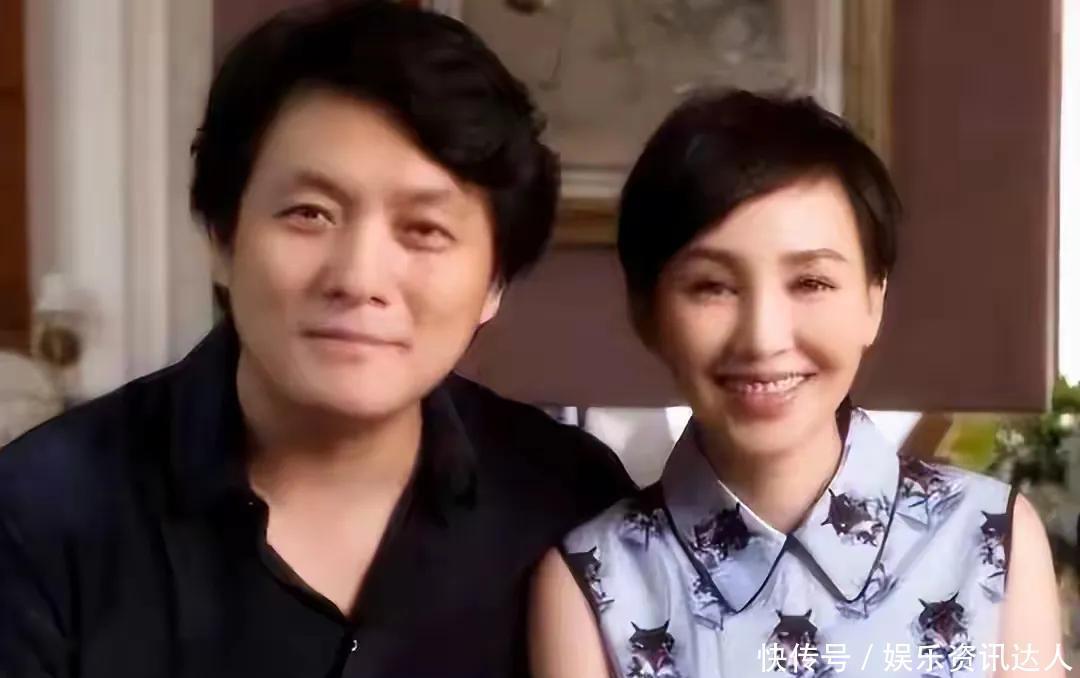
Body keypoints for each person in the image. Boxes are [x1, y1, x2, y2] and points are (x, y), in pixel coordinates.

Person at [0, 2, 634, 676]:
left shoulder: (569, 503)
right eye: (310, 213)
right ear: (221, 240)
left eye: (424, 229)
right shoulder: (39, 514)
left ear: (494, 282)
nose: (359, 278)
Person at [528, 90, 1062, 678]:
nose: (763, 339)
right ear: (645, 313)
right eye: (712, 286)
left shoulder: (990, 535)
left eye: (810, 282)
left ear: (873, 300)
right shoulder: (593, 578)